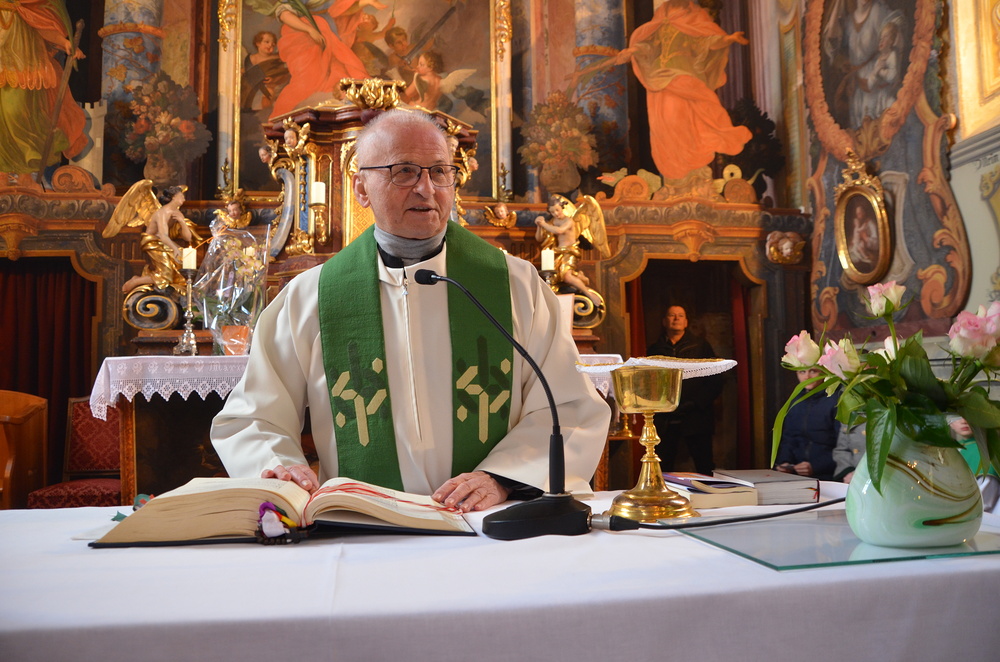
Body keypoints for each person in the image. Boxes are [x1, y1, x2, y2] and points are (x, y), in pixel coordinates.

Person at [211, 110, 610, 513]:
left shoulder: (515, 286)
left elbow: (568, 408)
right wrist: (281, 467)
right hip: (363, 524)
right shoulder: (311, 297)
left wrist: (503, 476)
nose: (426, 188)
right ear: (361, 189)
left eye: (439, 172)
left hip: (487, 525)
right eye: (404, 172)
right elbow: (254, 418)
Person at [0, 0, 87, 175]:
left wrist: (64, 43)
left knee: (17, 114)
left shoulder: (24, 4)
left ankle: (24, 174)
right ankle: (3, 174)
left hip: (23, 68)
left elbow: (38, 21)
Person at [646, 305, 723, 475]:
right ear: (664, 321)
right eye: (672, 315)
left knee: (704, 465)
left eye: (680, 315)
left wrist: (695, 402)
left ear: (686, 322)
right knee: (662, 465)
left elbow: (715, 379)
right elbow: (648, 382)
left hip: (696, 415)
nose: (676, 319)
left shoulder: (700, 346)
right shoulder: (655, 350)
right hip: (665, 417)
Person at [773, 367, 840, 480]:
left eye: (813, 371)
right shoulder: (795, 401)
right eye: (802, 372)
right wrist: (784, 462)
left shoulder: (836, 400)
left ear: (824, 372)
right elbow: (789, 438)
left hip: (828, 475)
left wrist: (816, 466)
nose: (807, 377)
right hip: (795, 474)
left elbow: (843, 446)